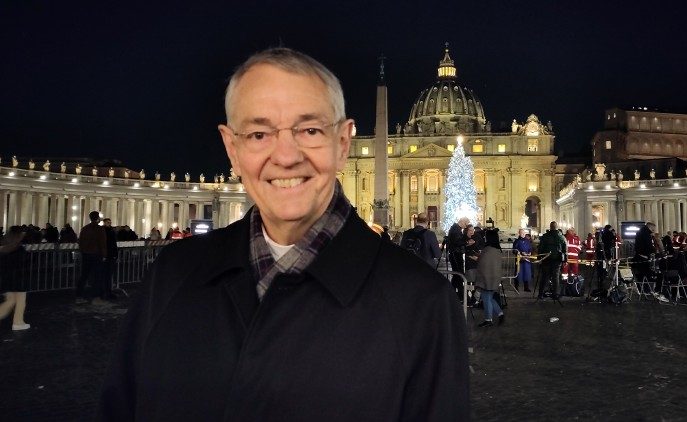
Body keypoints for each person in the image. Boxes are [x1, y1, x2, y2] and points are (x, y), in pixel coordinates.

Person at [99, 47, 469, 420]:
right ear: (232, 149)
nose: (286, 156)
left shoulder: (423, 301)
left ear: (343, 144)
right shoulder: (171, 275)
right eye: (260, 134)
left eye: (309, 130)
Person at [0, 226, 31, 330]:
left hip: (6, 279)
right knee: (21, 301)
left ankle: (17, 322)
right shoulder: (19, 249)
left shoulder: (4, 248)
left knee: (10, 300)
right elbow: (24, 263)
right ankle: (18, 322)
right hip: (19, 279)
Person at [474, 229, 506, 327]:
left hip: (487, 278)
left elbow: (482, 264)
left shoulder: (487, 250)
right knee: (490, 298)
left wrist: (477, 258)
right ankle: (500, 314)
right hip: (494, 277)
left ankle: (488, 320)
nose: (484, 238)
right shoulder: (497, 249)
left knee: (486, 298)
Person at [632, 222, 669, 303]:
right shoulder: (646, 234)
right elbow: (648, 246)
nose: (654, 230)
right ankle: (657, 291)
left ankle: (646, 290)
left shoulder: (640, 233)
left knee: (643, 275)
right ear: (651, 227)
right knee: (658, 275)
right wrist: (655, 251)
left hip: (638, 260)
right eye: (653, 228)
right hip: (643, 259)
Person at [77, 211, 107, 305]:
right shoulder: (99, 229)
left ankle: (79, 296)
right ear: (97, 218)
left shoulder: (85, 228)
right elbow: (102, 243)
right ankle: (96, 297)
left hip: (86, 254)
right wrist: (104, 255)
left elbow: (80, 242)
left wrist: (83, 251)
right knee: (97, 277)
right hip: (96, 254)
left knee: (84, 276)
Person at [537, 221, 566, 299]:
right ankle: (555, 294)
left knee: (544, 277)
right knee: (555, 277)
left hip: (546, 259)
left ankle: (540, 294)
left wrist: (539, 258)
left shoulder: (545, 236)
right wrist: (565, 260)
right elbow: (565, 249)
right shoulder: (561, 237)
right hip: (557, 260)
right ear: (556, 227)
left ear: (550, 227)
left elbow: (541, 248)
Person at [447, 216, 473, 300]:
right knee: (459, 274)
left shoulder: (456, 229)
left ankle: (452, 294)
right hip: (455, 254)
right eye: (466, 223)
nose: (466, 226)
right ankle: (463, 296)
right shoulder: (455, 229)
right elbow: (457, 242)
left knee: (457, 275)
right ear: (462, 221)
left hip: (456, 253)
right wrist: (467, 242)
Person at [102, 218, 119, 301]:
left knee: (109, 274)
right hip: (107, 255)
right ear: (104, 223)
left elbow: (113, 243)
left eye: (110, 222)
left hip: (110, 255)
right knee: (106, 274)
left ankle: (108, 291)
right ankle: (106, 291)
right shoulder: (105, 231)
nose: (110, 223)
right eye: (108, 222)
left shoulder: (110, 231)